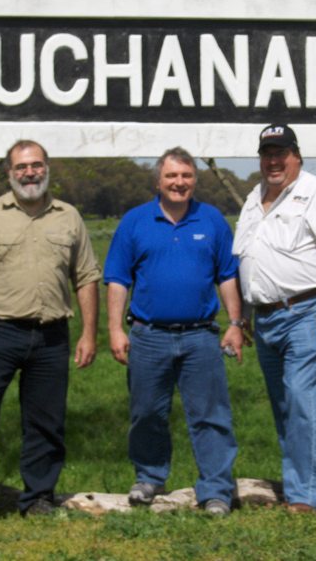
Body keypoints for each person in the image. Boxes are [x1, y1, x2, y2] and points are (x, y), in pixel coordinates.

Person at [0, 139, 101, 522]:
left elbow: (87, 277)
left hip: (51, 335)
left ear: (48, 167)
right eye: (22, 167)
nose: (30, 173)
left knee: (46, 421)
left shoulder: (69, 217)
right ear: (9, 173)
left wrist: (89, 333)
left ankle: (38, 498)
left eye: (37, 165)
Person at [105, 146, 243, 516]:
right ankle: (149, 477)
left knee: (211, 415)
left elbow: (227, 275)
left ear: (194, 180)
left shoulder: (212, 220)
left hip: (201, 336)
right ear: (158, 181)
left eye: (186, 176)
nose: (179, 183)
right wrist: (115, 329)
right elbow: (117, 279)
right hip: (148, 336)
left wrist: (235, 324)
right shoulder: (135, 221)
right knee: (147, 412)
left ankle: (215, 490)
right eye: (171, 176)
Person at [233, 123, 316, 513]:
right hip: (268, 317)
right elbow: (248, 258)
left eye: (281, 153)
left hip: (307, 312)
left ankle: (307, 497)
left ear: (297, 157)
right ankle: (298, 485)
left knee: (305, 403)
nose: (273, 161)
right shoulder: (255, 198)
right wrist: (246, 315)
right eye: (267, 154)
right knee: (286, 405)